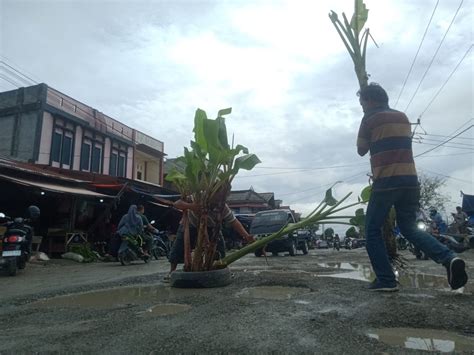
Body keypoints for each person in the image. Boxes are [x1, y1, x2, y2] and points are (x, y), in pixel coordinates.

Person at [356, 83, 467, 292]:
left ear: (370, 100)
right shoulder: (402, 117)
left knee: (372, 230)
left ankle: (386, 280)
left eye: (362, 102)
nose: (362, 106)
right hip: (410, 181)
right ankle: (449, 258)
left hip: (386, 181)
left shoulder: (369, 118)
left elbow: (361, 150)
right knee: (408, 228)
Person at [165, 195, 254, 281]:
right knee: (178, 247)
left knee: (220, 249)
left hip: (212, 227)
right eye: (216, 199)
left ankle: (221, 270)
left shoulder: (223, 207)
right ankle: (172, 272)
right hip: (191, 224)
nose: (217, 201)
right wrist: (192, 206)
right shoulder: (197, 196)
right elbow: (177, 203)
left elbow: (234, 222)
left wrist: (246, 236)